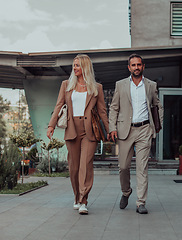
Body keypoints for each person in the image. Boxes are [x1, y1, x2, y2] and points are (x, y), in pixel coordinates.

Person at [47, 54, 109, 215]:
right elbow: (59, 105)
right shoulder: (66, 85)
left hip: (89, 131)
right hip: (72, 129)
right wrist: (51, 125)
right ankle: (76, 196)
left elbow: (102, 111)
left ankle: (83, 200)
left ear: (85, 68)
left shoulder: (97, 88)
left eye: (78, 66)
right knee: (74, 167)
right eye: (74, 65)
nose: (74, 68)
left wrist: (110, 130)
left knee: (86, 165)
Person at [108, 53, 163, 214]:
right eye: (133, 65)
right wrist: (112, 127)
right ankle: (126, 192)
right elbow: (114, 108)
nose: (136, 67)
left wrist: (156, 126)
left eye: (139, 64)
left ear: (143, 66)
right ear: (129, 67)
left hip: (145, 129)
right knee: (123, 167)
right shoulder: (121, 85)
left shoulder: (151, 85)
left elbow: (157, 105)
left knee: (142, 167)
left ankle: (141, 202)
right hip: (125, 130)